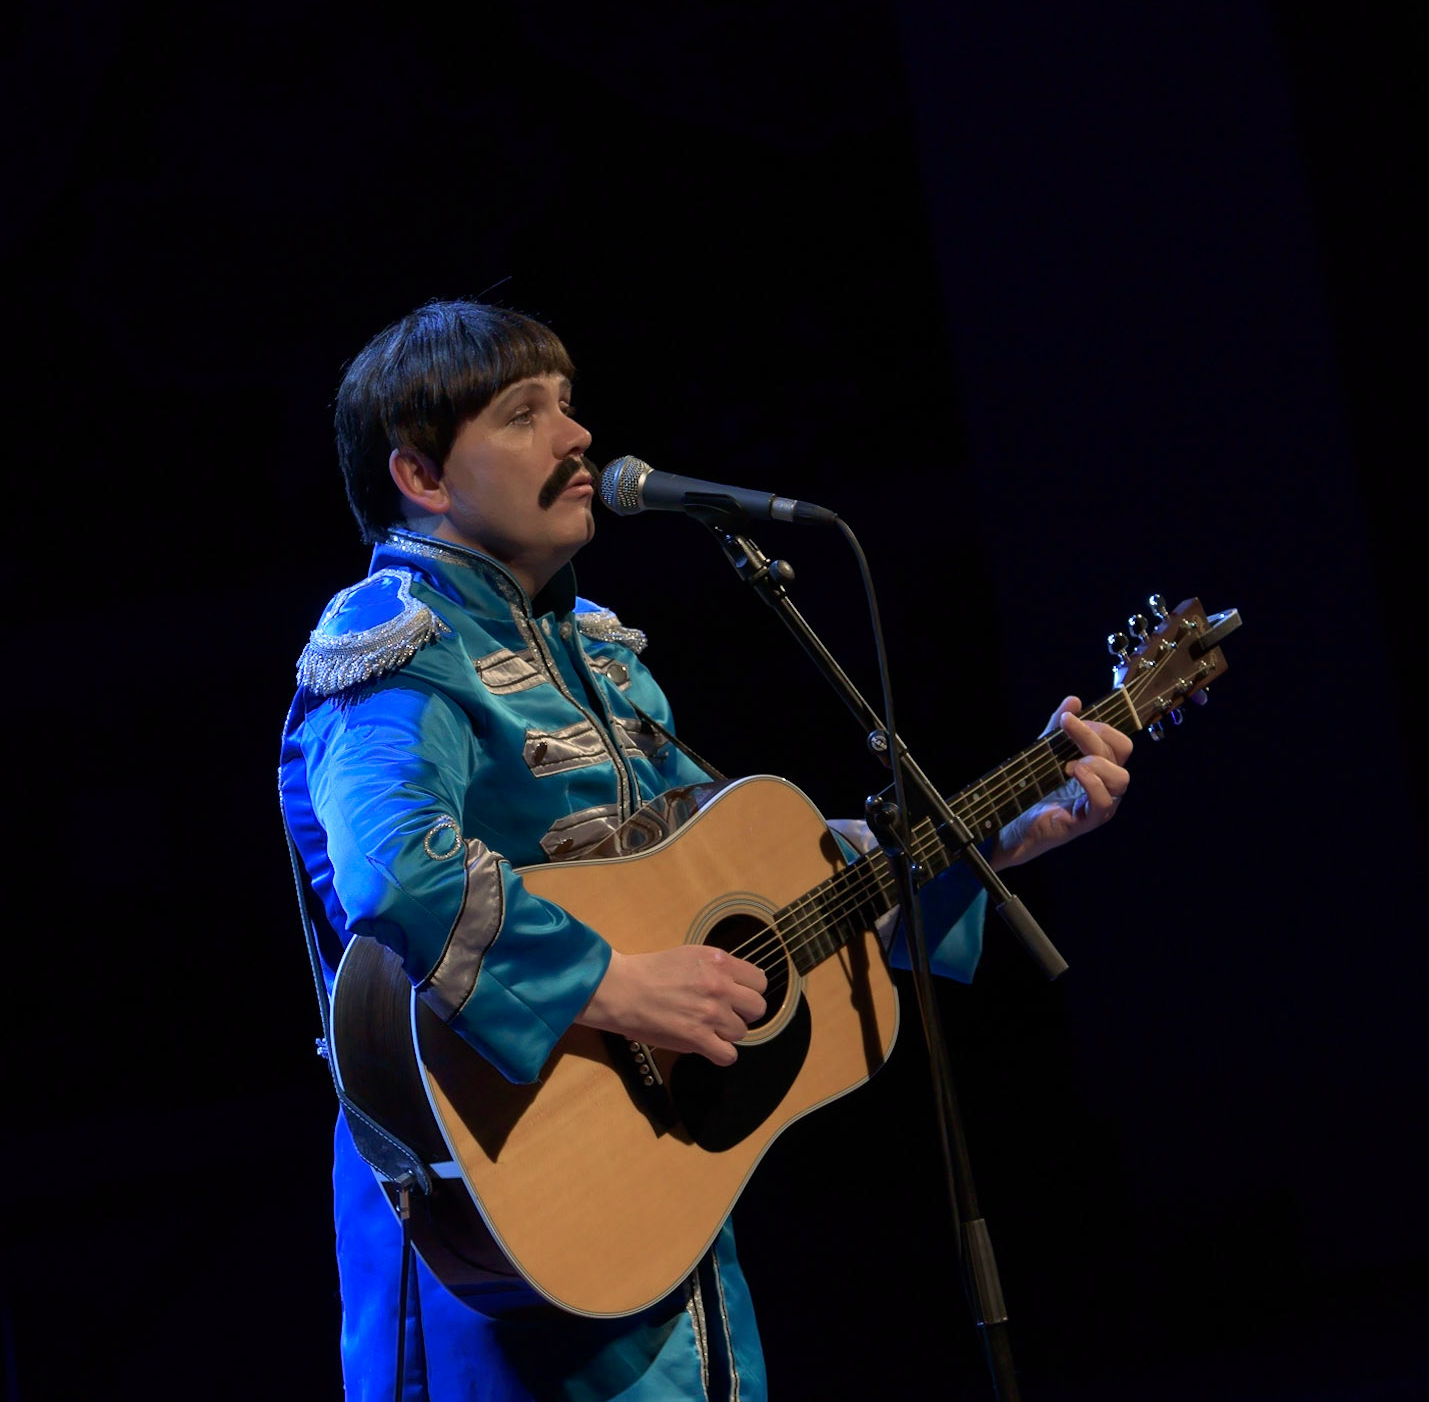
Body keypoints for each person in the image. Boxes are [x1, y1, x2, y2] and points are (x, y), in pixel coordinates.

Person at [279, 299, 1132, 1401]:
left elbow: (752, 884)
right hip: (504, 1217)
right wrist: (617, 984)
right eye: (522, 414)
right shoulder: (396, 641)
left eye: (570, 406)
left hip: (654, 1212)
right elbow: (398, 867)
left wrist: (995, 838)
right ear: (423, 478)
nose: (577, 436)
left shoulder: (601, 656)